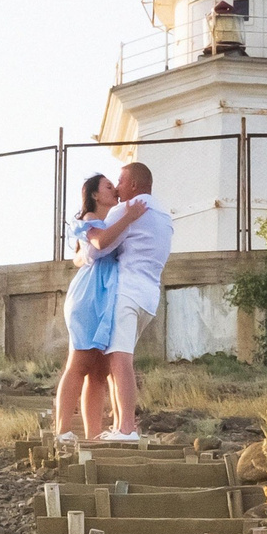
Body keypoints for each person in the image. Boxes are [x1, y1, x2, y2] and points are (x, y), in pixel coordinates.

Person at [80, 160, 173, 442]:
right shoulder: (164, 215)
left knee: (120, 361)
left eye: (120, 182)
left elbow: (97, 250)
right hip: (149, 296)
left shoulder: (127, 210)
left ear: (133, 184)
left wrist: (80, 253)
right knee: (117, 360)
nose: (118, 188)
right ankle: (121, 424)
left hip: (127, 292)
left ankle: (127, 428)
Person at [52, 172, 121, 445]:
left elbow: (80, 256)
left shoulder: (112, 219)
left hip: (107, 293)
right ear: (94, 194)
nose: (114, 189)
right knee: (79, 363)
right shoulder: (92, 219)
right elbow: (95, 248)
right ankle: (62, 431)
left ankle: (93, 434)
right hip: (89, 294)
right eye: (108, 186)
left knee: (99, 371)